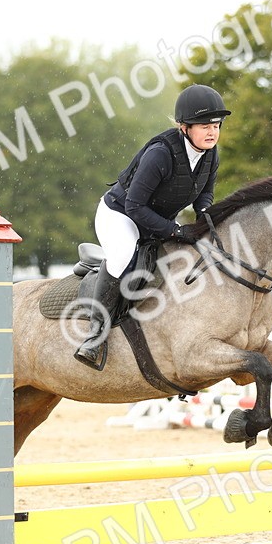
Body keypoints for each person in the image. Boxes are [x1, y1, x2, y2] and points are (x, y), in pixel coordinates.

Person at [74, 84, 231, 368]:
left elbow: (204, 193)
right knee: (123, 255)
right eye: (205, 125)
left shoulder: (211, 154)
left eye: (217, 125)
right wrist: (175, 230)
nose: (212, 132)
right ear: (184, 127)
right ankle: (95, 334)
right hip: (120, 214)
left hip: (155, 218)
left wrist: (205, 215)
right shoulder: (161, 153)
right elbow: (134, 206)